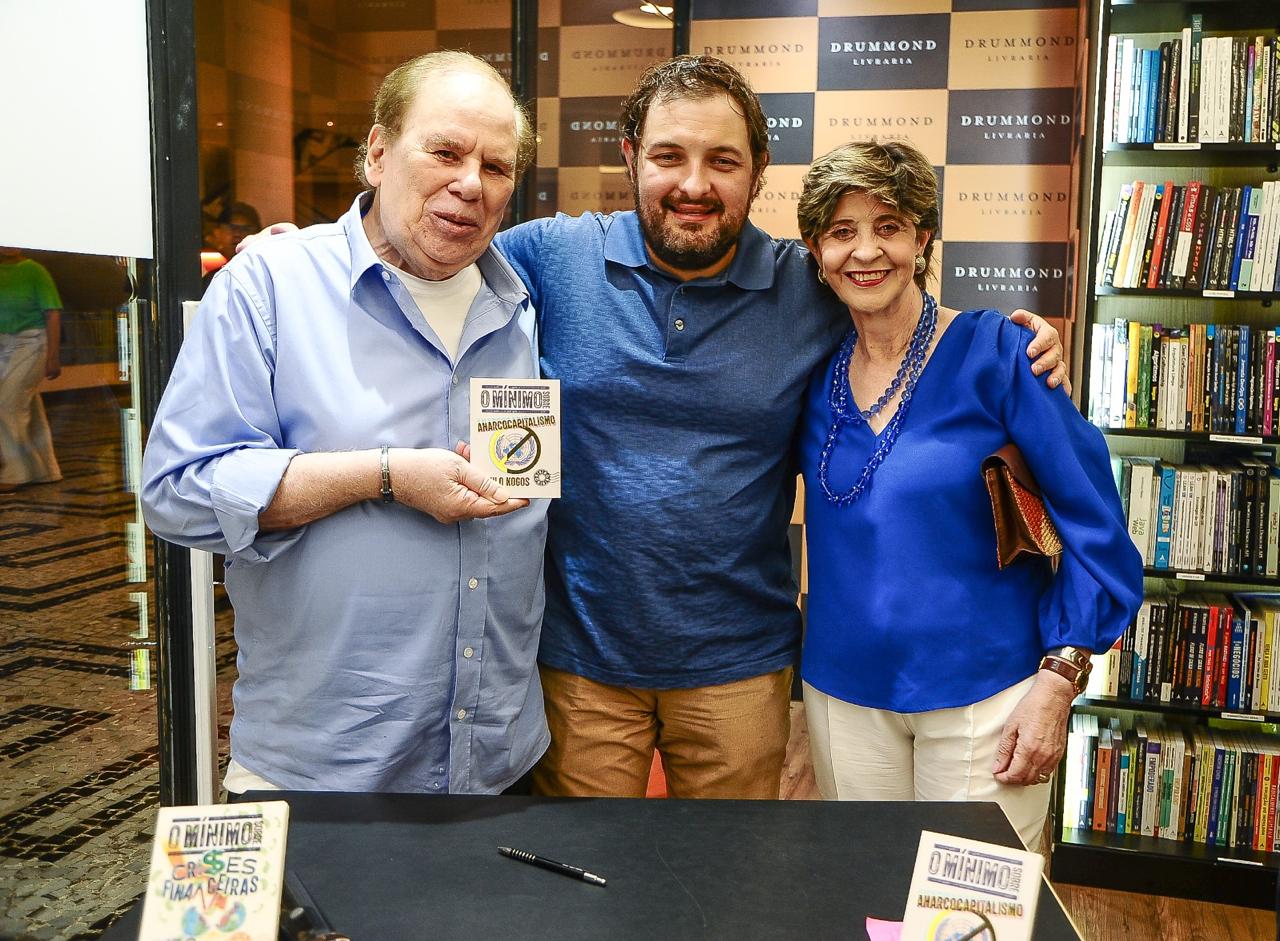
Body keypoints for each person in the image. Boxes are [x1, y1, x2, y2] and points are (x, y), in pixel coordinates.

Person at [246, 55, 1068, 800]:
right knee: (586, 887)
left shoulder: (807, 288)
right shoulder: (548, 259)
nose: (694, 184)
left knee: (727, 885)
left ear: (758, 171)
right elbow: (427, 250)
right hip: (578, 663)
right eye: (670, 156)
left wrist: (1011, 344)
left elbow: (898, 308)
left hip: (740, 666)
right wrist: (310, 253)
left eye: (723, 161)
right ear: (631, 157)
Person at [141, 51, 547, 796]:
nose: (470, 183)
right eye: (446, 151)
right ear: (378, 153)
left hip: (498, 760)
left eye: (496, 166)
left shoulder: (521, 302)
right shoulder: (270, 287)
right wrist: (383, 474)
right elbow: (177, 492)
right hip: (325, 768)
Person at [794, 140, 1144, 851]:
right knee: (864, 890)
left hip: (987, 697)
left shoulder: (1003, 354)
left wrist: (1060, 680)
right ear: (816, 251)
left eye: (889, 227)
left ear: (923, 238)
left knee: (967, 906)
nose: (866, 251)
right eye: (842, 231)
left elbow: (1095, 525)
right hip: (844, 694)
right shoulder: (809, 374)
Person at [0, 246, 63, 493]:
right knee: (26, 405)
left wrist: (53, 356)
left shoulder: (36, 271)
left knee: (7, 404)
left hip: (32, 343)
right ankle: (45, 469)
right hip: (4, 344)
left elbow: (52, 314)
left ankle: (17, 471)